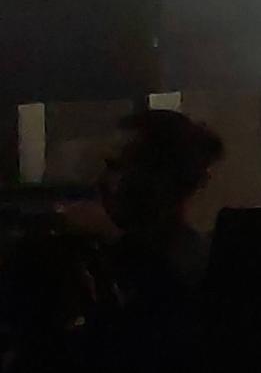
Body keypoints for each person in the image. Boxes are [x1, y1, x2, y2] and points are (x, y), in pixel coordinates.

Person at [0, 109, 223, 372]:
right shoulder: (86, 254)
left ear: (160, 179)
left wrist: (115, 238)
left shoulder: (191, 264)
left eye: (117, 167)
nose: (102, 181)